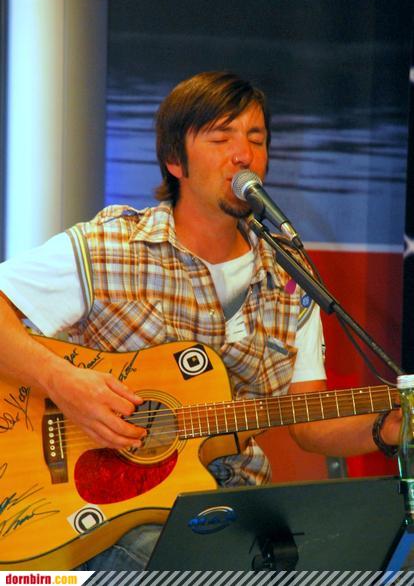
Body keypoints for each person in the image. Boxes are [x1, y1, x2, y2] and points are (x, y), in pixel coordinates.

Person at [0, 71, 402, 570]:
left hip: (235, 512)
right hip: (112, 520)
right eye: (221, 138)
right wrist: (63, 383)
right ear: (175, 160)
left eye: (256, 138)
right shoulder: (111, 248)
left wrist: (387, 427)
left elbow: (309, 421)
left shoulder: (289, 277)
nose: (244, 154)